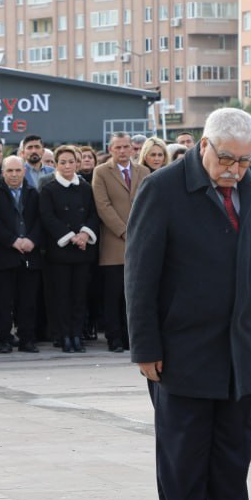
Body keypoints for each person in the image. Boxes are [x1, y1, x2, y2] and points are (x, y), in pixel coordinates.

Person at [126, 107, 251, 500]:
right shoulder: (163, 189)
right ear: (203, 146)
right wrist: (145, 348)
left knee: (234, 450)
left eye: (244, 161)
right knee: (184, 451)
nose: (235, 171)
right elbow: (140, 276)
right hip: (182, 347)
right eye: (227, 160)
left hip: (242, 343)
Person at [40, 145, 99, 353]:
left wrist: (84, 234)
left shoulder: (85, 187)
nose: (67, 166)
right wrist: (69, 236)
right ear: (56, 164)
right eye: (62, 162)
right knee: (61, 296)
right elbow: (47, 217)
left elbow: (93, 213)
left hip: (83, 250)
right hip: (60, 252)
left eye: (71, 161)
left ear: (77, 163)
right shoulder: (49, 189)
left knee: (79, 296)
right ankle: (63, 335)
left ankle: (76, 334)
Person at [92, 132, 147, 353]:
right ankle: (114, 337)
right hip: (114, 243)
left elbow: (148, 201)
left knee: (134, 296)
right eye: (118, 147)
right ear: (111, 149)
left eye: (126, 147)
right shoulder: (101, 172)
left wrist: (140, 230)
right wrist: (124, 231)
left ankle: (130, 336)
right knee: (113, 295)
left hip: (140, 241)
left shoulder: (143, 171)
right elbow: (103, 205)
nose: (123, 151)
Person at [0, 156, 43, 354]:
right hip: (3, 256)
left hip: (29, 256)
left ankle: (27, 339)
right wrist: (12, 241)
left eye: (18, 170)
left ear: (24, 172)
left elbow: (40, 220)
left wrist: (31, 240)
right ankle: (4, 339)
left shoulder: (33, 193)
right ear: (3, 172)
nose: (14, 175)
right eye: (10, 171)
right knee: (2, 301)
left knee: (27, 301)